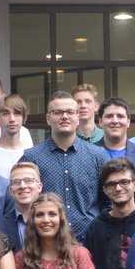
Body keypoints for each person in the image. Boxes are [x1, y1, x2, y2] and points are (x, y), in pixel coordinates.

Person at [22, 91, 108, 234]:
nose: (65, 116)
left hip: (89, 241)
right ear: (48, 119)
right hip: (46, 241)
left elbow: (109, 200)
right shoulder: (31, 157)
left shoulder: (98, 156)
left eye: (70, 112)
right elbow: (22, 202)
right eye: (57, 112)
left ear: (78, 117)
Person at [96, 99, 135, 170]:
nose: (115, 121)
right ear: (100, 121)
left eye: (120, 116)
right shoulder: (89, 155)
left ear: (128, 122)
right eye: (109, 116)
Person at [0, 161, 45, 249]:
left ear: (39, 187)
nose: (22, 186)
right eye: (16, 182)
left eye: (28, 180)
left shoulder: (53, 221)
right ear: (10, 190)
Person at [0, 94, 37, 175]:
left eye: (17, 113)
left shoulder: (32, 154)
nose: (12, 119)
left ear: (23, 117)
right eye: (6, 114)